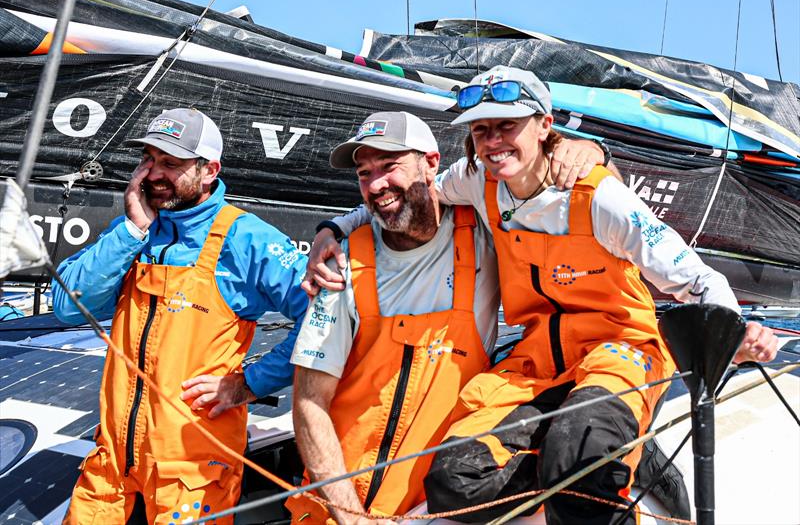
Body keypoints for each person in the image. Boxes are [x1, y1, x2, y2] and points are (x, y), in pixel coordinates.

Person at [306, 66, 778, 524]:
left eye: (507, 126)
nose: (492, 142)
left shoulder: (599, 197)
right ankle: (600, 449)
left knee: (578, 469)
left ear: (545, 125)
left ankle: (606, 457)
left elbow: (695, 279)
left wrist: (731, 332)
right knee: (453, 481)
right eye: (480, 130)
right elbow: (403, 193)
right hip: (536, 363)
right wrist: (334, 227)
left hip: (619, 351)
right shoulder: (475, 182)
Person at [289, 111, 606, 524]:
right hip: (338, 509)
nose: (376, 184)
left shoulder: (483, 233)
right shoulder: (341, 265)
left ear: (431, 163)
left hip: (441, 507)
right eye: (364, 174)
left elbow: (560, 191)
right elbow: (309, 401)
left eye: (390, 166)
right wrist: (350, 516)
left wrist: (591, 151)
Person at [52, 108, 308, 524]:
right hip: (112, 468)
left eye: (170, 163)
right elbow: (67, 306)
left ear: (210, 170)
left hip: (192, 470)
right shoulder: (134, 230)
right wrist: (132, 229)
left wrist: (248, 383)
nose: (153, 173)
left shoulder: (246, 238)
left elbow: (326, 319)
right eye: (148, 159)